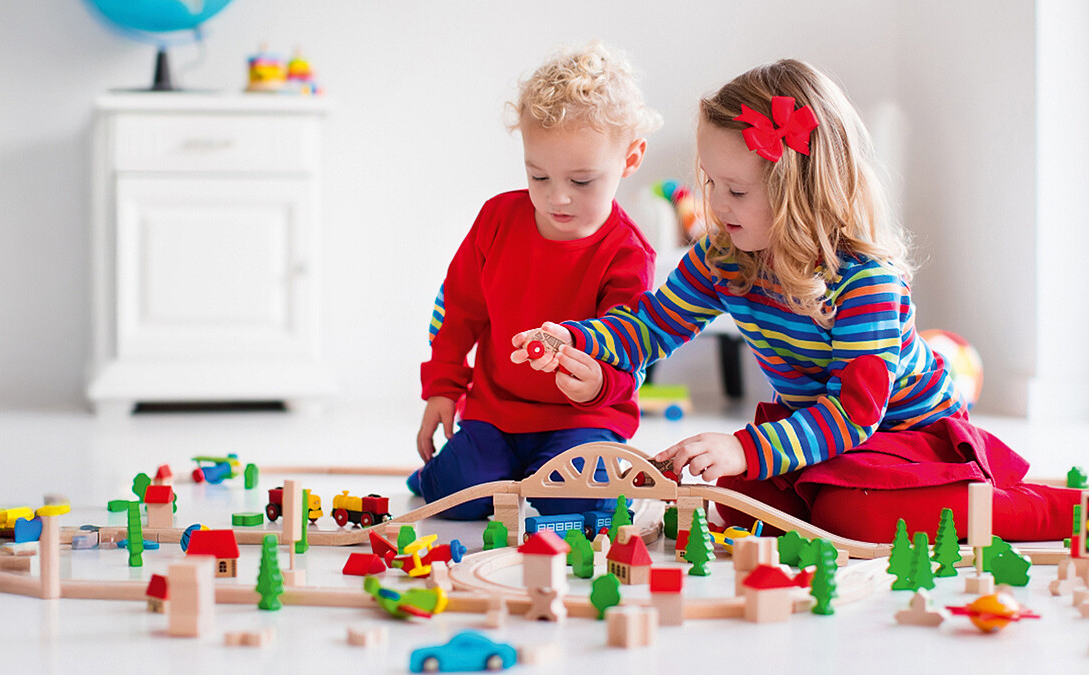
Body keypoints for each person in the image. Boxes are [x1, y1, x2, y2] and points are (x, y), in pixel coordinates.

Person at [512, 59, 1081, 542]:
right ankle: (817, 490)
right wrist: (574, 338)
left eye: (736, 191)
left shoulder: (866, 282)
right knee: (734, 501)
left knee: (849, 515)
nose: (715, 205)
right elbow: (651, 326)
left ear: (799, 194)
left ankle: (1057, 509)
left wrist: (744, 447)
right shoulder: (725, 256)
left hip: (898, 436)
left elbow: (855, 414)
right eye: (710, 182)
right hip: (822, 431)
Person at [412, 41, 661, 519]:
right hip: (497, 413)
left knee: (575, 504)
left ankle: (564, 479)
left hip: (584, 418)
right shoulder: (497, 220)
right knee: (457, 497)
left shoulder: (629, 255)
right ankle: (453, 470)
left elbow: (633, 349)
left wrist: (596, 386)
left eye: (581, 181)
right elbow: (457, 309)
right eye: (538, 176)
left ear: (630, 159)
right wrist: (443, 387)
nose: (557, 198)